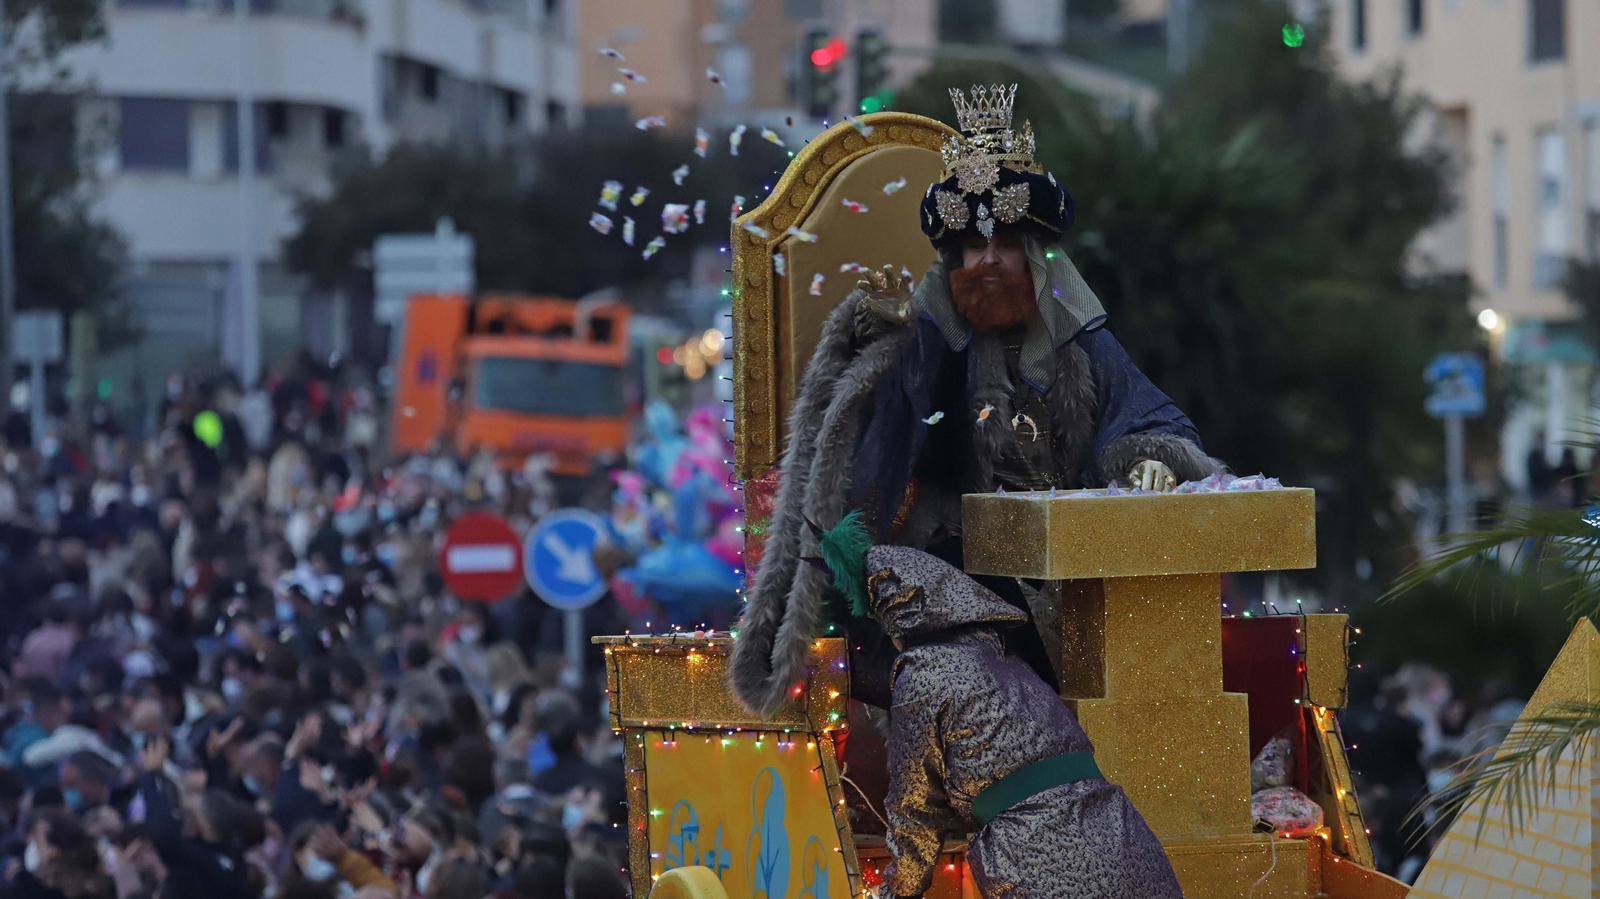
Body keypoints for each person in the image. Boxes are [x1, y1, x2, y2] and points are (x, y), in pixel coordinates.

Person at [731, 83, 1223, 715]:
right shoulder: (936, 333)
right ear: (953, 254)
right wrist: (879, 331)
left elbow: (1149, 413)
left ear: (1034, 256)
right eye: (974, 247)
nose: (989, 262)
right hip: (960, 566)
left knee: (1151, 682)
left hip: (1077, 566)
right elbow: (890, 406)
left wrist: (1144, 458)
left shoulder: (1079, 334)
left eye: (1005, 247)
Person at [858, 541, 1180, 899]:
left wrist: (894, 893)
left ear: (895, 629)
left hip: (1040, 860)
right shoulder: (1007, 662)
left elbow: (913, 809)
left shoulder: (921, 676)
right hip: (1130, 847)